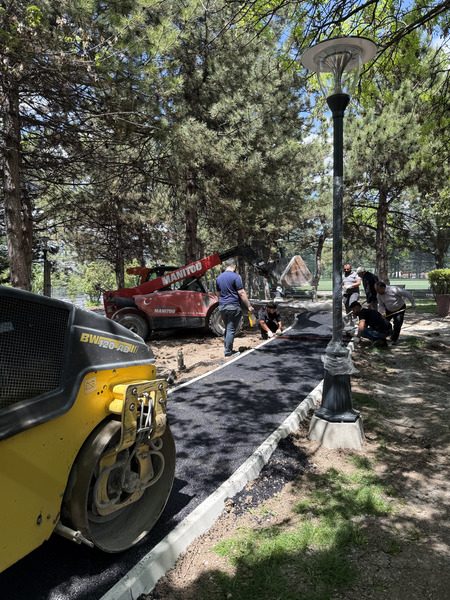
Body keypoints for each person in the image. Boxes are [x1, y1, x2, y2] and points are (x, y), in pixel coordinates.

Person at [216, 258, 254, 357]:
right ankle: (228, 351)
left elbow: (218, 294)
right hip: (233, 306)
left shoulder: (219, 278)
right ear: (234, 265)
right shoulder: (236, 277)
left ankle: (227, 348)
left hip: (222, 307)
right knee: (231, 329)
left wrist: (222, 302)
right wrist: (249, 306)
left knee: (228, 328)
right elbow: (241, 292)